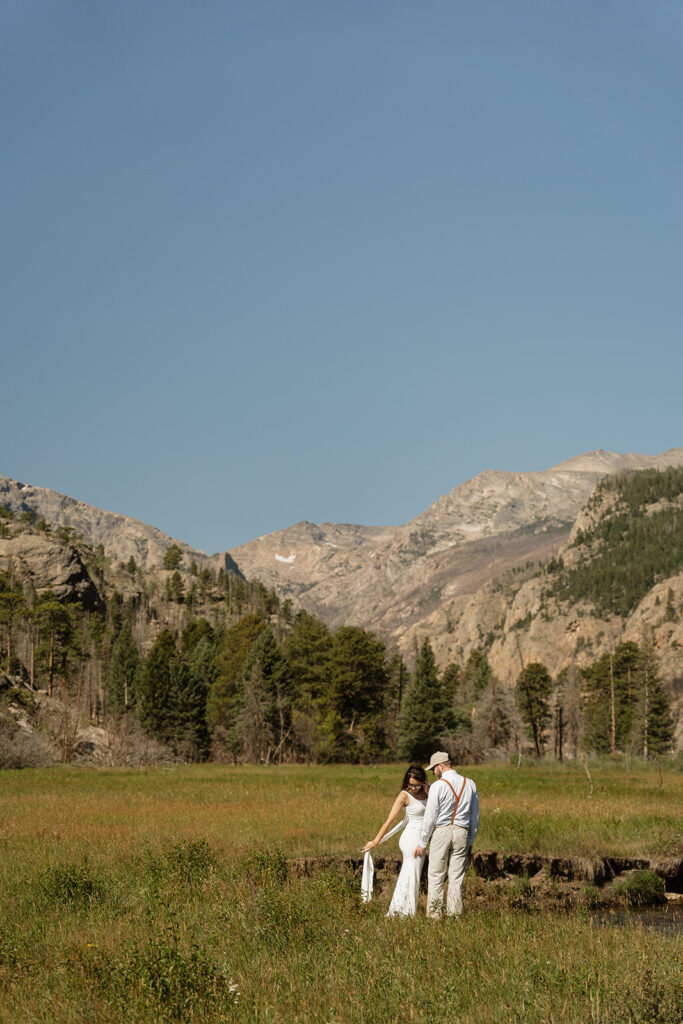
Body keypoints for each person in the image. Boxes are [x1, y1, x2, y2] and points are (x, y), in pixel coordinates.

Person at [414, 751, 479, 919]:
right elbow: (475, 817)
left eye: (434, 769)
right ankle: (454, 916)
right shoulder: (470, 783)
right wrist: (470, 840)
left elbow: (430, 817)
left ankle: (435, 916)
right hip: (462, 832)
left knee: (436, 875)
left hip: (442, 831)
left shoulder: (438, 786)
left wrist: (422, 842)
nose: (433, 773)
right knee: (456, 878)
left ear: (441, 766)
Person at [363, 764, 429, 917]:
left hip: (422, 839)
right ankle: (404, 912)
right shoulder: (404, 795)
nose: (413, 788)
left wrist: (426, 788)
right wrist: (376, 840)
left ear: (423, 782)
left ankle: (402, 909)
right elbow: (389, 821)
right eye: (410, 784)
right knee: (411, 872)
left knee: (412, 873)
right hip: (411, 838)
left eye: (417, 785)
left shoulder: (429, 790)